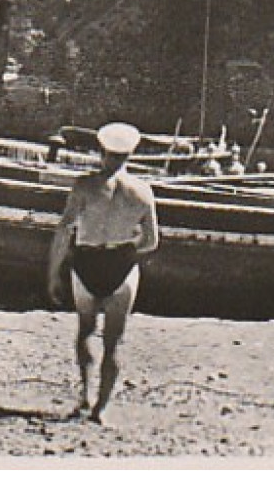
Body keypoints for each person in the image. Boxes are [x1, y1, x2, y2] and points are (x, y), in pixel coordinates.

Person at [48, 122, 160, 424]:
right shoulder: (142, 191)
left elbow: (63, 229)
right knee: (114, 341)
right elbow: (151, 242)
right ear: (131, 154)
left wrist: (53, 272)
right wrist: (126, 253)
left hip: (87, 261)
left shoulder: (84, 186)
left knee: (85, 331)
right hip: (121, 266)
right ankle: (101, 409)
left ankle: (84, 398)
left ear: (101, 151)